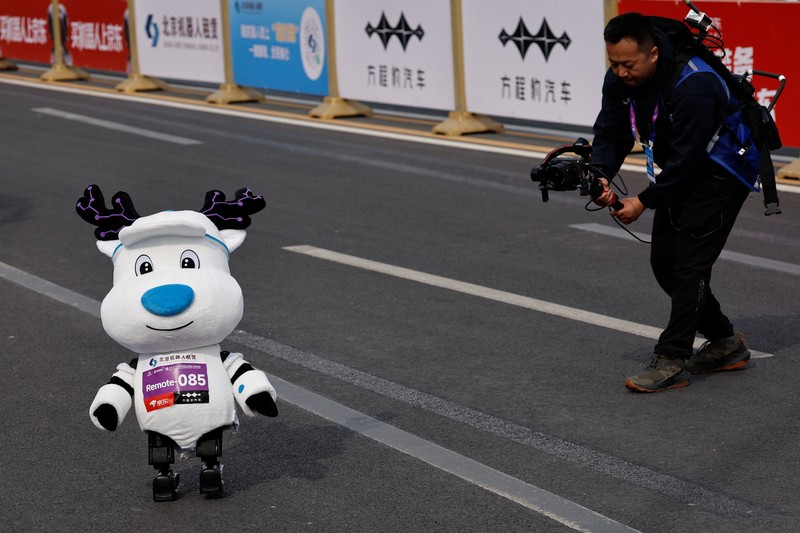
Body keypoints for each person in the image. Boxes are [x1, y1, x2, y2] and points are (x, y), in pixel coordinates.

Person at [590, 12, 751, 392]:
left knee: (690, 263)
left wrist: (643, 201)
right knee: (664, 261)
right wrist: (599, 173)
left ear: (654, 54)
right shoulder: (619, 79)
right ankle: (726, 343)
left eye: (628, 64)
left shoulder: (695, 84)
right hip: (682, 165)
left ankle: (672, 358)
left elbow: (688, 160)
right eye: (614, 63)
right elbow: (612, 132)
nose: (620, 72)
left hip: (722, 168)